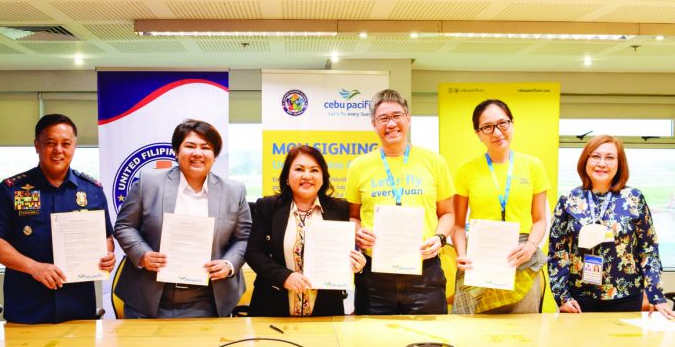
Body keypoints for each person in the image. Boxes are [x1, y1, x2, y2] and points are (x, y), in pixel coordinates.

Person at [0, 114, 116, 324]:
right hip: (27, 308)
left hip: (78, 308)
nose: (58, 150)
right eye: (50, 143)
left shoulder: (92, 191)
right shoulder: (12, 190)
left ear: (74, 146)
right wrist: (34, 267)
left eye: (66, 143)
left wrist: (107, 254)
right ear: (37, 145)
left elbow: (106, 238)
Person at [114, 119, 251, 318]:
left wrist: (229, 265)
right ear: (177, 152)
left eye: (206, 147)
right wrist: (142, 254)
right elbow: (124, 225)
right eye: (190, 146)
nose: (198, 153)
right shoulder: (148, 182)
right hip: (148, 297)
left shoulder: (234, 191)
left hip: (208, 299)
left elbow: (245, 238)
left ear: (214, 155)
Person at [346, 89, 455, 315]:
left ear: (408, 118)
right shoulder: (358, 166)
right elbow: (353, 216)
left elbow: (447, 213)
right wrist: (358, 232)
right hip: (374, 277)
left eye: (397, 116)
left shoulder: (434, 161)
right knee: (373, 343)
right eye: (383, 118)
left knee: (429, 344)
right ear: (374, 124)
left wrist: (440, 237)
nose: (391, 124)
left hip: (424, 273)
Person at [548, 135, 673, 318]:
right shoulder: (569, 200)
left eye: (610, 157)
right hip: (579, 298)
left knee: (625, 346)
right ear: (585, 160)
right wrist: (562, 297)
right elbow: (557, 251)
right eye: (595, 156)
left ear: (619, 163)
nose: (602, 163)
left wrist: (656, 295)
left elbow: (648, 249)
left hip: (627, 296)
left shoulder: (634, 198)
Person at [452, 99, 549, 314]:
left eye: (502, 124)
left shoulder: (533, 166)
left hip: (521, 258)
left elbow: (541, 219)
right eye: (487, 127)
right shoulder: (466, 170)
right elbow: (458, 225)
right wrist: (461, 255)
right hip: (479, 259)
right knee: (475, 331)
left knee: (524, 331)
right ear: (477, 133)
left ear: (512, 124)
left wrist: (531, 246)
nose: (497, 133)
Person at [246, 146, 366, 316]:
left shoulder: (340, 209)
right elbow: (253, 252)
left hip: (326, 310)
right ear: (287, 177)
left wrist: (357, 264)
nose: (307, 176)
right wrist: (283, 276)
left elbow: (347, 252)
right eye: (299, 169)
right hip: (272, 307)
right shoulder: (268, 206)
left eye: (314, 170)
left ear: (323, 178)